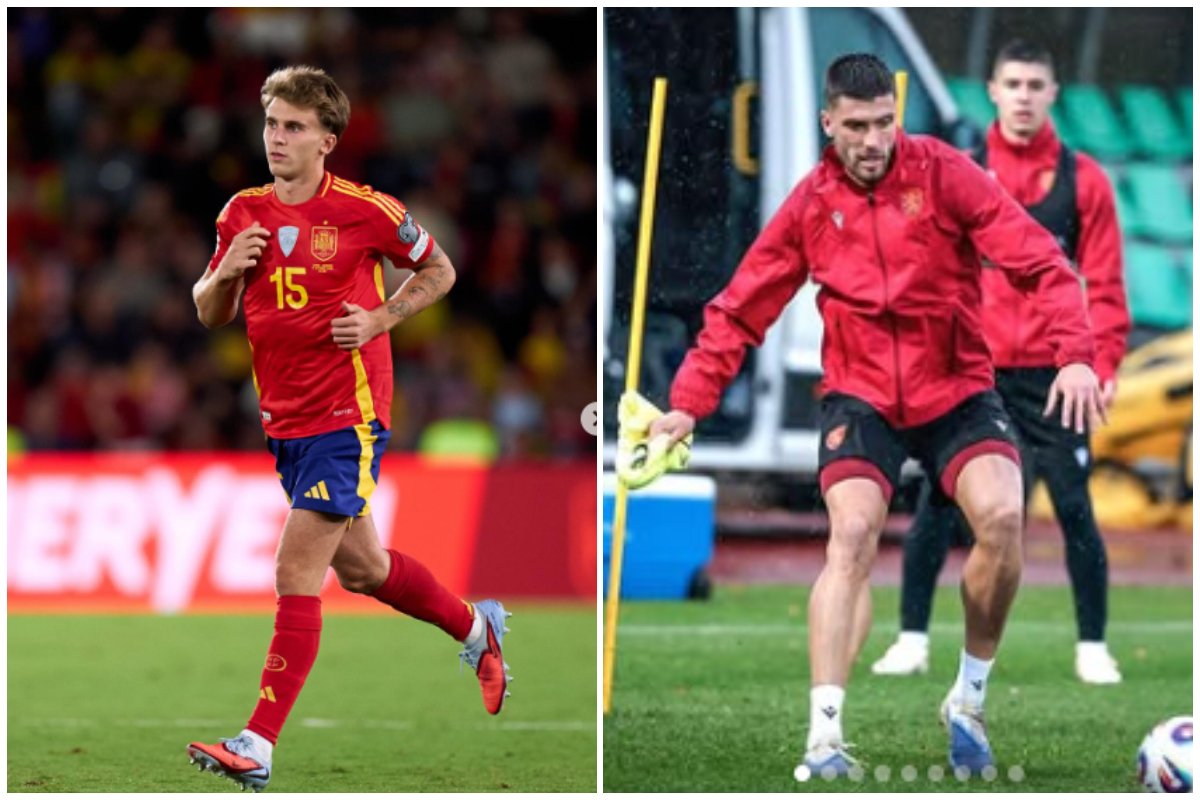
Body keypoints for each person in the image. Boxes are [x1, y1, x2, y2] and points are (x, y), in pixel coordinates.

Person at [649, 53, 1105, 777]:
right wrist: (686, 405)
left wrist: (1075, 353)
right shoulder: (807, 205)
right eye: (856, 126)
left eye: (884, 124)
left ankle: (967, 699)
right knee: (853, 534)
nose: (872, 140)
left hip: (956, 386)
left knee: (1005, 521)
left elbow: (1042, 263)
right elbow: (738, 313)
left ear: (897, 117)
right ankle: (825, 736)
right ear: (828, 123)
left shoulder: (946, 173)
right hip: (859, 395)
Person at [185, 66, 512, 792]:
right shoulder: (241, 213)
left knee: (295, 571)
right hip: (286, 420)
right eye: (272, 123)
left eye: (295, 127)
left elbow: (441, 271)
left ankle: (258, 743)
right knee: (362, 569)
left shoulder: (364, 211)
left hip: (348, 415)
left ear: (327, 141)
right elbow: (211, 313)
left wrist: (380, 317)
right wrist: (223, 276)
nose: (278, 138)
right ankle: (474, 628)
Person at [872, 40, 1129, 686]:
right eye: (1011, 83)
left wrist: (1101, 364)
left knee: (1073, 505)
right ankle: (911, 637)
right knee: (936, 503)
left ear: (1052, 94)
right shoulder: (961, 169)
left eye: (1033, 85)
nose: (1022, 95)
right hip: (972, 372)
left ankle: (1092, 645)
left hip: (1053, 373)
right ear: (990, 90)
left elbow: (1104, 284)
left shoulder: (1084, 180)